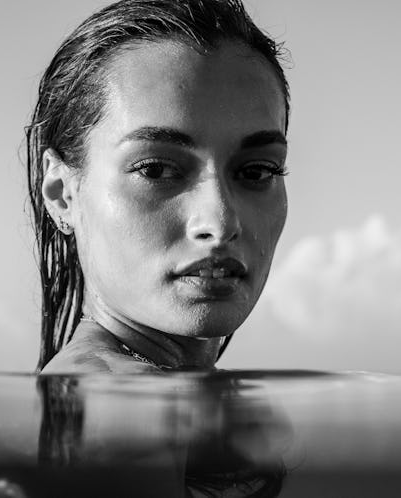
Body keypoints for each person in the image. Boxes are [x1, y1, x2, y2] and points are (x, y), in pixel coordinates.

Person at [27, 0, 290, 374]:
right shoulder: (143, 413)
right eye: (155, 170)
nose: (220, 221)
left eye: (256, 171)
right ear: (61, 192)